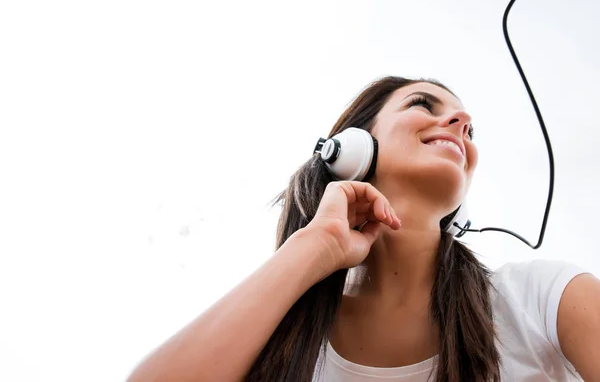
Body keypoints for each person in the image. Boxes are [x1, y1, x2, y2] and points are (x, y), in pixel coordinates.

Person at [127, 76, 600, 382]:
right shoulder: (283, 345)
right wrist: (314, 246)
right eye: (422, 103)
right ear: (351, 147)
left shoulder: (545, 298)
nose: (462, 123)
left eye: (469, 131)